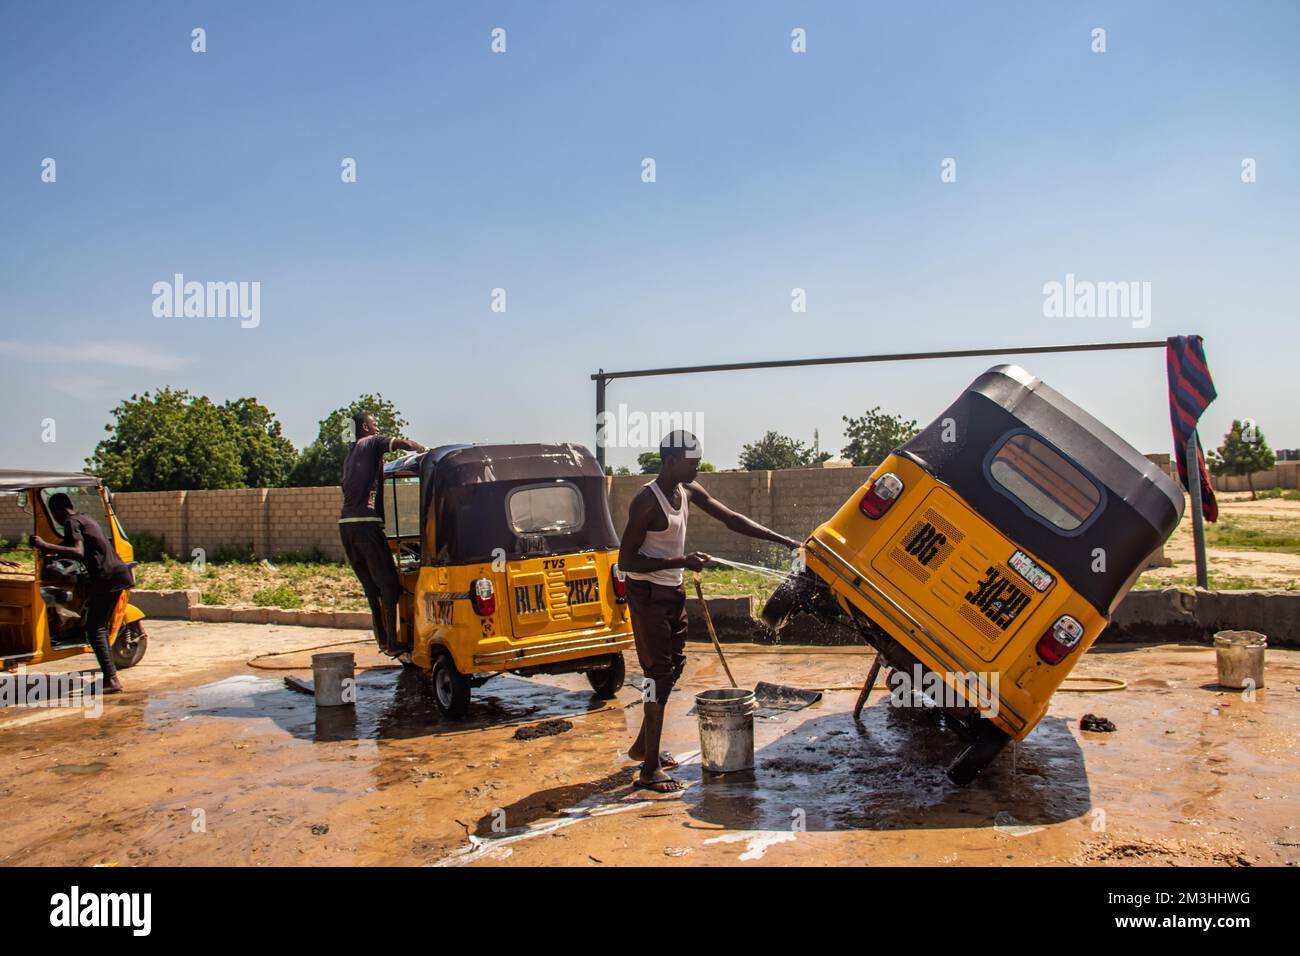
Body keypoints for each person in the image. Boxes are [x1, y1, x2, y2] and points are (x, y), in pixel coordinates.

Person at [618, 430, 801, 793]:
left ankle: (643, 747)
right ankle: (649, 770)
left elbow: (731, 518)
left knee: (674, 668)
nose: (698, 467)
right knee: (657, 673)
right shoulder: (647, 502)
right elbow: (627, 560)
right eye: (692, 462)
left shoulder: (687, 491)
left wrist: (784, 540)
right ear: (670, 462)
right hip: (647, 594)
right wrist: (681, 560)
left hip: (672, 591)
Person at [339, 412, 426, 656]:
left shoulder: (350, 454)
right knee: (390, 586)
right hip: (366, 525)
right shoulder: (373, 442)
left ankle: (382, 639)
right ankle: (392, 643)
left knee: (371, 587)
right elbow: (405, 445)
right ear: (366, 427)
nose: (378, 428)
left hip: (346, 526)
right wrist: (424, 450)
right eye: (375, 424)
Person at [31, 493, 135, 694]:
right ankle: (110, 677)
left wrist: (45, 546)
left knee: (95, 629)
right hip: (116, 574)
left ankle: (111, 679)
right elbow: (84, 549)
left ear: (58, 511)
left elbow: (77, 552)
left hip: (107, 578)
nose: (58, 520)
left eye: (55, 515)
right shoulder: (85, 518)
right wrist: (54, 550)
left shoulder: (71, 522)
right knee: (98, 626)